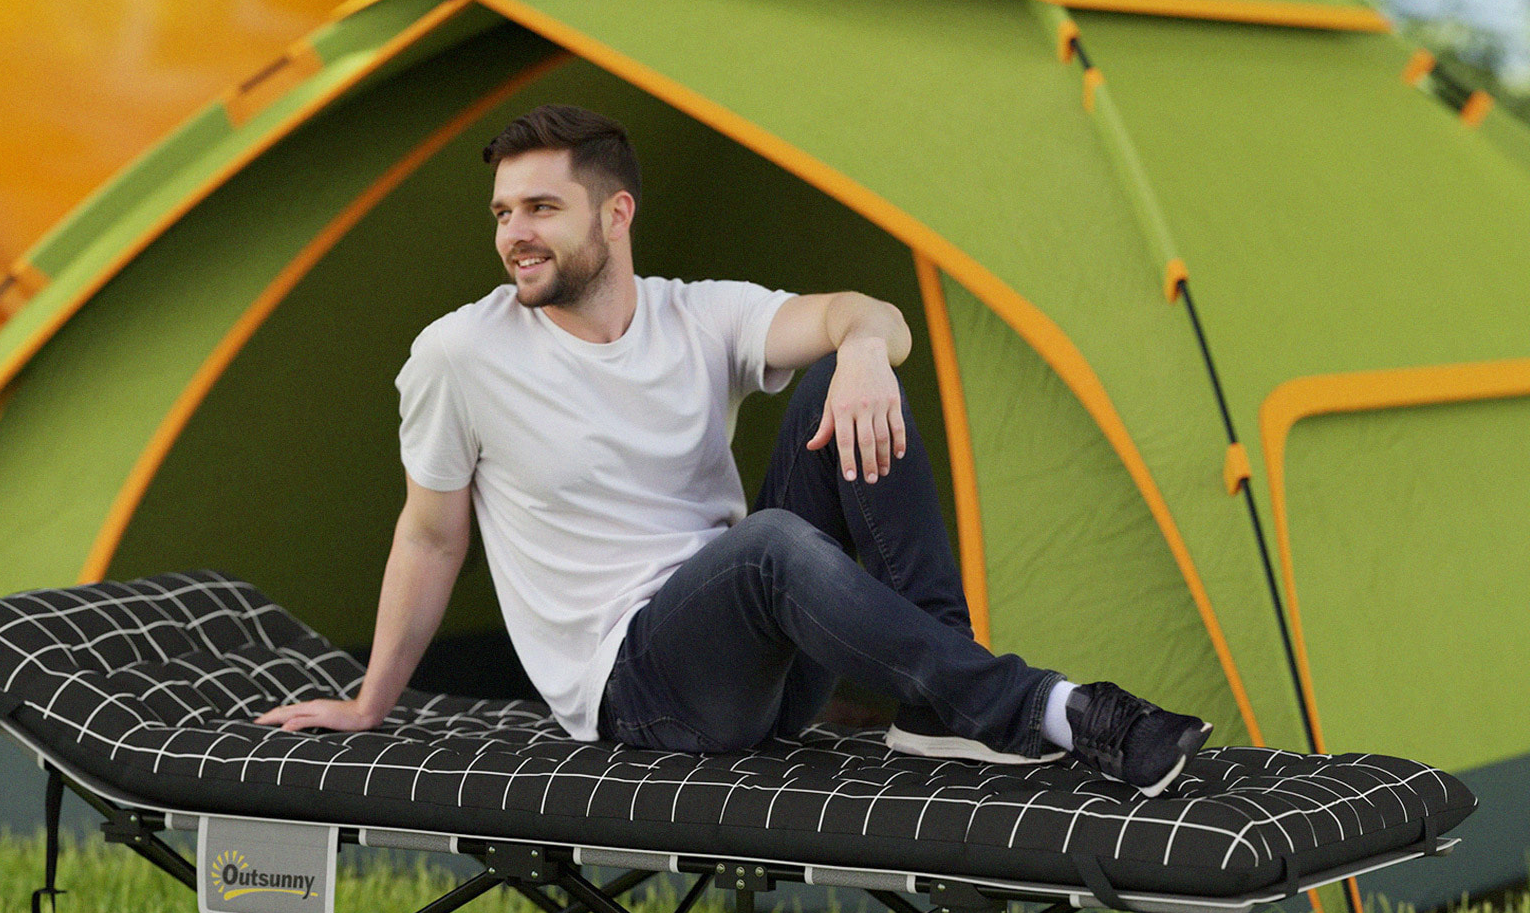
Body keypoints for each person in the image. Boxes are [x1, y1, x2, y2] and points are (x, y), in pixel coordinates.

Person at [260, 103, 1209, 794]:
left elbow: (866, 314)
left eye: (541, 208)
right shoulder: (461, 355)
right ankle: (1050, 709)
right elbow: (430, 537)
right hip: (639, 694)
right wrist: (371, 703)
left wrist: (863, 351)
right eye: (503, 213)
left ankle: (939, 701)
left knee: (837, 386)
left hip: (761, 663)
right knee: (768, 547)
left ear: (616, 214)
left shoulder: (696, 314)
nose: (515, 235)